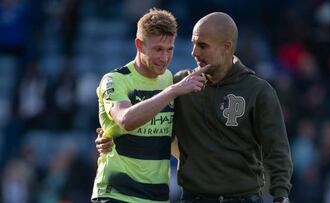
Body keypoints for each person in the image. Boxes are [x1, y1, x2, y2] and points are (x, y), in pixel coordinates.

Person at [96, 12, 293, 203]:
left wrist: (281, 195)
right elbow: (143, 123)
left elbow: (277, 150)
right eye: (193, 44)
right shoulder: (180, 84)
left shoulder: (258, 90)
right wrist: (109, 135)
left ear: (226, 47)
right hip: (187, 197)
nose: (194, 52)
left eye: (202, 46)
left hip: (243, 198)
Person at [91, 8, 209, 203]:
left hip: (156, 197)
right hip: (117, 193)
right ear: (139, 44)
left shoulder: (171, 80)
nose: (164, 58)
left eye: (169, 49)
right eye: (158, 50)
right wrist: (172, 91)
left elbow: (168, 138)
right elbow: (126, 120)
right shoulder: (115, 80)